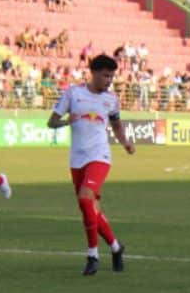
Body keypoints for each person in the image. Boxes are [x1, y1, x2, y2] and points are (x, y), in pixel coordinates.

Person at [46, 55, 135, 276]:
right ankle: (115, 246)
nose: (109, 80)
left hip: (100, 155)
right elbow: (51, 121)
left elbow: (116, 123)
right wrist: (68, 121)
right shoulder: (73, 94)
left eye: (112, 76)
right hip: (77, 159)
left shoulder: (111, 99)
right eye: (105, 75)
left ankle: (92, 255)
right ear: (93, 73)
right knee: (89, 209)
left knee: (86, 198)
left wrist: (124, 142)